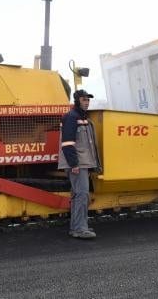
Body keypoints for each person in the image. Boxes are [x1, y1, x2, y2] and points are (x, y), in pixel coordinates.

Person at [58, 89, 99, 239]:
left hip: (82, 163)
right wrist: (74, 164)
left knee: (77, 195)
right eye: (84, 100)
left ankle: (77, 227)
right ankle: (80, 229)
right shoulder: (71, 117)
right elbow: (68, 143)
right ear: (77, 101)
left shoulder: (82, 117)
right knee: (82, 195)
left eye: (88, 100)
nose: (87, 102)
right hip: (77, 164)